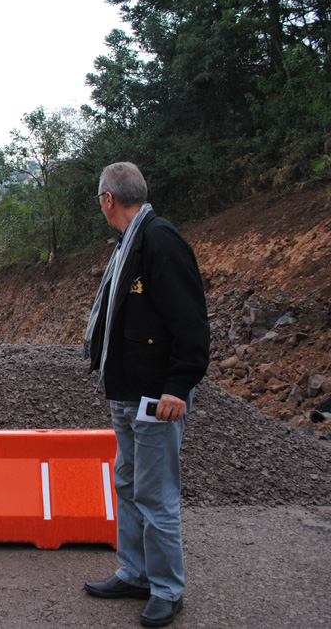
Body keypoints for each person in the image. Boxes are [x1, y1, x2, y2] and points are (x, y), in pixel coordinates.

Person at [82, 163, 210, 628]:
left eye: (100, 198)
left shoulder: (159, 241)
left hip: (156, 397)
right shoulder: (129, 243)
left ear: (108, 199)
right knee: (130, 486)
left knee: (156, 496)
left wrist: (179, 385)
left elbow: (191, 323)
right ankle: (135, 572)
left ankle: (167, 589)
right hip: (127, 392)